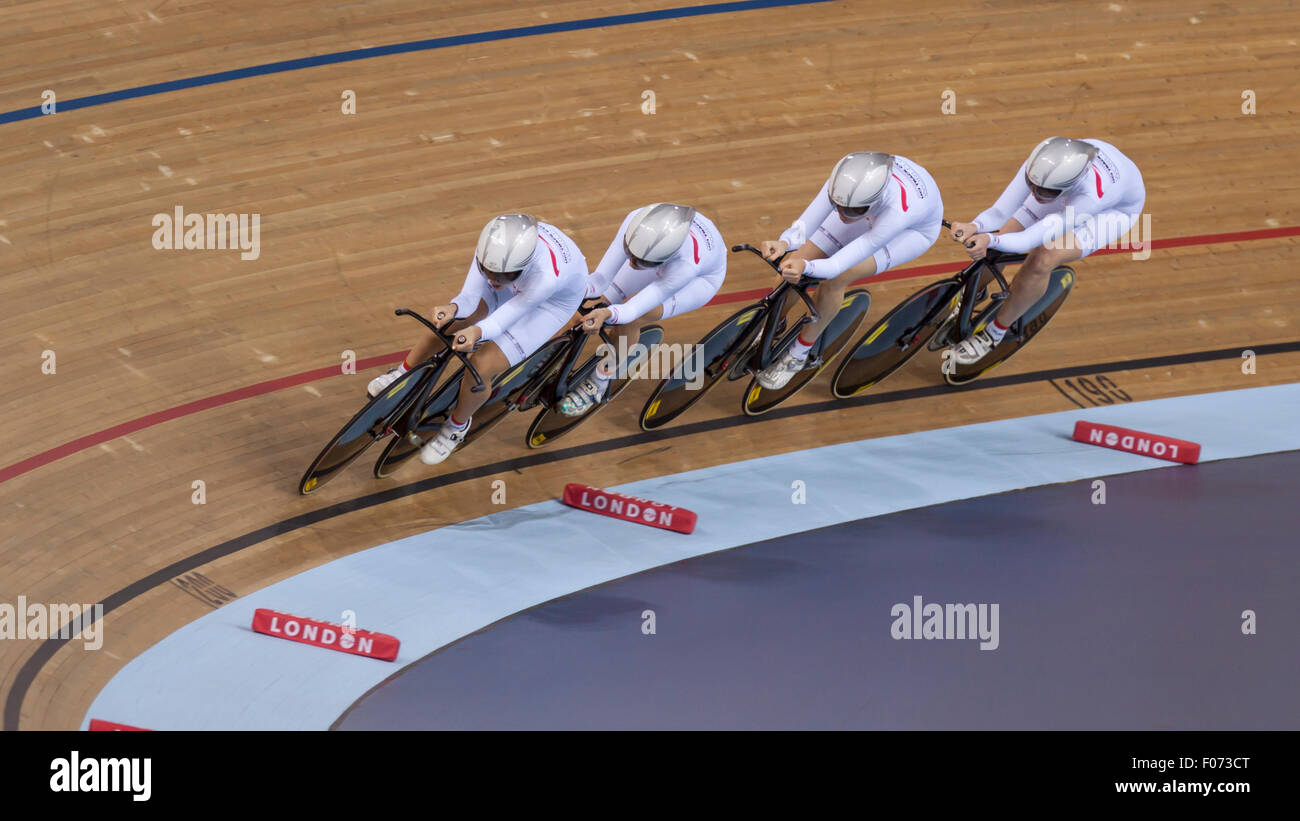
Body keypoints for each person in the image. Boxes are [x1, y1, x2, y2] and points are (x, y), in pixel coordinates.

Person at [366, 213, 587, 464]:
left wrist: (476, 332)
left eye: (503, 276)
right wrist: (452, 310)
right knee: (447, 325)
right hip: (521, 280)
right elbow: (469, 298)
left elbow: (504, 319)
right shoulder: (490, 249)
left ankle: (456, 427)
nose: (494, 281)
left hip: (550, 303)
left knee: (481, 365)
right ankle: (401, 374)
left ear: (522, 266)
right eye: (488, 271)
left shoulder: (546, 277)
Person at [946, 137, 1146, 364]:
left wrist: (989, 239)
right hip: (1068, 186)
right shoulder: (1041, 162)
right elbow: (999, 212)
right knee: (1005, 234)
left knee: (1042, 259)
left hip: (1112, 212)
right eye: (1032, 185)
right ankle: (971, 294)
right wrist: (975, 226)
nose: (1037, 194)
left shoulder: (1090, 197)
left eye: (1046, 192)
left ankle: (995, 333)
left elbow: (1027, 241)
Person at [756, 151, 944, 389]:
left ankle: (798, 355)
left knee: (836, 279)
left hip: (910, 232)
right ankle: (774, 323)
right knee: (795, 262)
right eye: (838, 206)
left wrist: (806, 267)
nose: (843, 215)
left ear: (873, 201)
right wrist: (785, 243)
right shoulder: (844, 181)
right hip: (871, 205)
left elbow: (838, 264)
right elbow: (808, 221)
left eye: (853, 211)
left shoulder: (898, 212)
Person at [558, 203, 727, 416]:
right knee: (593, 300)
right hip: (657, 254)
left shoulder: (685, 266)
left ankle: (600, 381)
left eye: (641, 262)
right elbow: (600, 279)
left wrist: (609, 313)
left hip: (699, 280)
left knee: (630, 320)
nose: (632, 264)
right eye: (629, 254)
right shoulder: (635, 221)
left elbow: (633, 308)